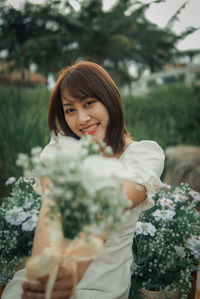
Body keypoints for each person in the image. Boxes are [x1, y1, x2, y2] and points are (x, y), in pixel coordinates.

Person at [2, 61, 165, 299]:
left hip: (101, 287)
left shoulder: (144, 155)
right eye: (70, 110)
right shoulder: (61, 150)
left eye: (89, 103)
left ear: (109, 99)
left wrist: (75, 268)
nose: (81, 118)